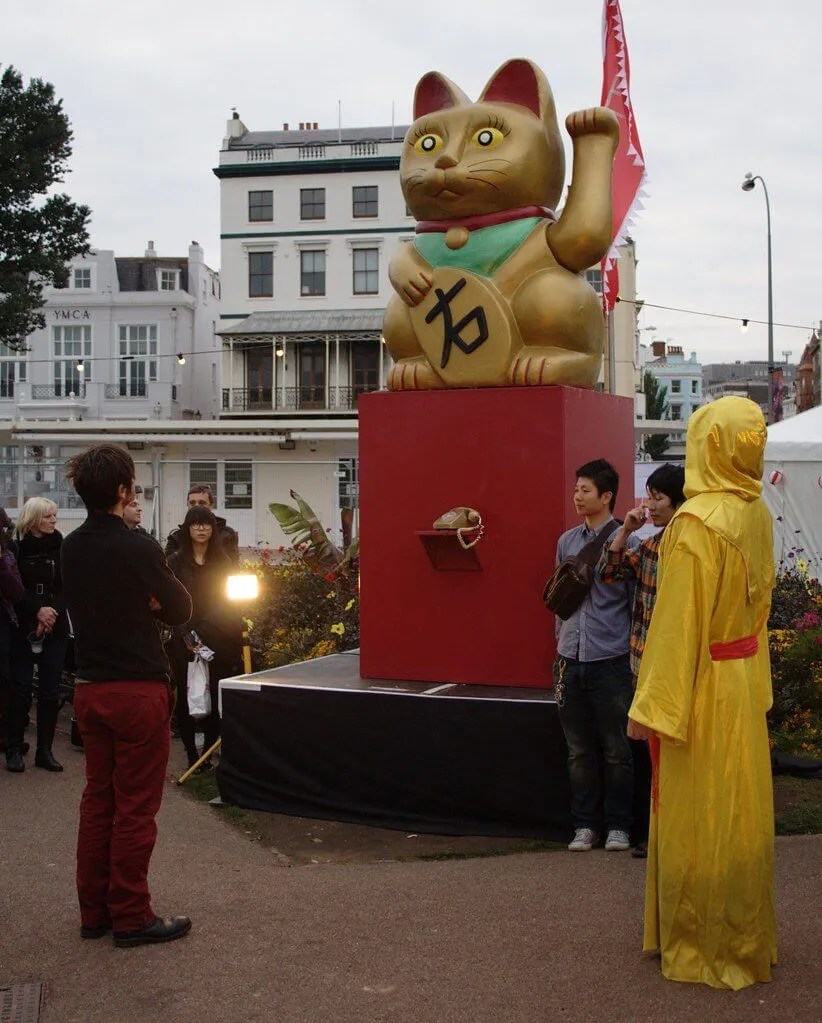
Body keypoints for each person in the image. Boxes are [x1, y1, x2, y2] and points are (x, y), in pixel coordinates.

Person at [628, 398, 777, 989]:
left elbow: (676, 625)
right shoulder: (755, 512)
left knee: (701, 813)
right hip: (741, 680)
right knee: (738, 811)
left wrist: (652, 708)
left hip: (702, 686)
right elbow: (757, 614)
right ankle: (745, 934)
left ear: (706, 445)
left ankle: (700, 939)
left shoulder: (695, 524)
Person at [62, 444, 194, 948]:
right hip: (137, 690)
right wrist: (153, 599)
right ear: (123, 491)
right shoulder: (136, 545)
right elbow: (180, 608)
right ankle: (132, 915)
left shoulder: (70, 546)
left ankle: (94, 912)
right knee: (135, 807)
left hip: (90, 688)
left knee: (99, 801)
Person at [599, 463, 686, 857]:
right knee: (647, 750)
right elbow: (609, 571)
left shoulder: (688, 548)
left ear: (680, 502)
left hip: (679, 663)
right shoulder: (649, 546)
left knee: (675, 751)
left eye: (658, 498)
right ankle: (652, 833)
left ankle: (674, 833)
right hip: (644, 663)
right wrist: (626, 529)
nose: (650, 505)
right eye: (649, 496)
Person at [552, 459, 638, 853]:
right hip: (571, 658)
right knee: (579, 751)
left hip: (611, 659)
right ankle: (584, 825)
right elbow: (559, 603)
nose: (577, 496)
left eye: (585, 490)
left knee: (617, 750)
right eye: (576, 489)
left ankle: (619, 826)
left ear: (607, 496)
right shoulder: (567, 542)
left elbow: (637, 604)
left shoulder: (631, 541)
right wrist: (560, 652)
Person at [166, 505, 243, 768]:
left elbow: (229, 601)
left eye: (206, 524)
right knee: (187, 696)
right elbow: (170, 601)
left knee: (214, 693)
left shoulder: (224, 563)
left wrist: (209, 628)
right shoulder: (175, 561)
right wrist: (187, 630)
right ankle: (191, 755)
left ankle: (209, 755)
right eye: (195, 524)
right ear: (187, 529)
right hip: (184, 638)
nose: (201, 529)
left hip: (218, 636)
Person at [5, 498, 68, 773]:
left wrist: (52, 612)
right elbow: (12, 587)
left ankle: (45, 751)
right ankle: (14, 748)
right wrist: (36, 612)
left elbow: (68, 586)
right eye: (48, 517)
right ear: (33, 519)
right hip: (23, 624)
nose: (54, 521)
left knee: (49, 692)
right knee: (20, 690)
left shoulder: (61, 546)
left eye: (55, 516)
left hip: (55, 626)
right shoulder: (15, 548)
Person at [0, 508, 25, 756]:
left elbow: (17, 593)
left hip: (4, 626)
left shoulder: (8, 555)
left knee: (5, 680)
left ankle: (7, 735)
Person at [164, 485, 239, 564]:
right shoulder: (176, 537)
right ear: (187, 505)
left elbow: (232, 567)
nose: (197, 507)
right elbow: (168, 569)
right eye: (192, 503)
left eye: (202, 503)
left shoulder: (226, 535)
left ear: (211, 505)